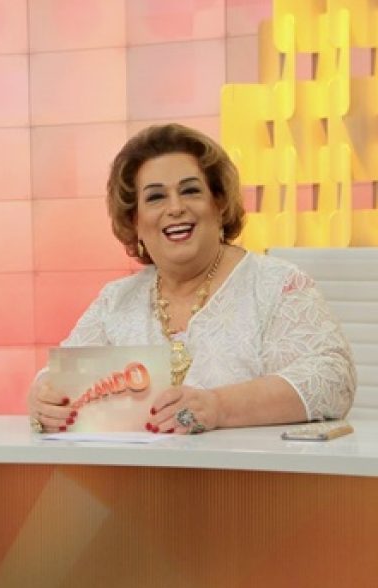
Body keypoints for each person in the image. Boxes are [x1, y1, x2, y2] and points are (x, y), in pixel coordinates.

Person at [29, 123, 355, 434]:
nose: (175, 208)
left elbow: (332, 381)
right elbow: (59, 377)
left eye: (190, 191)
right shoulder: (115, 301)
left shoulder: (279, 285)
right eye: (155, 197)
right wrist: (44, 398)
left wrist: (219, 407)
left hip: (252, 474)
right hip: (139, 474)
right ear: (135, 220)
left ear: (219, 204)